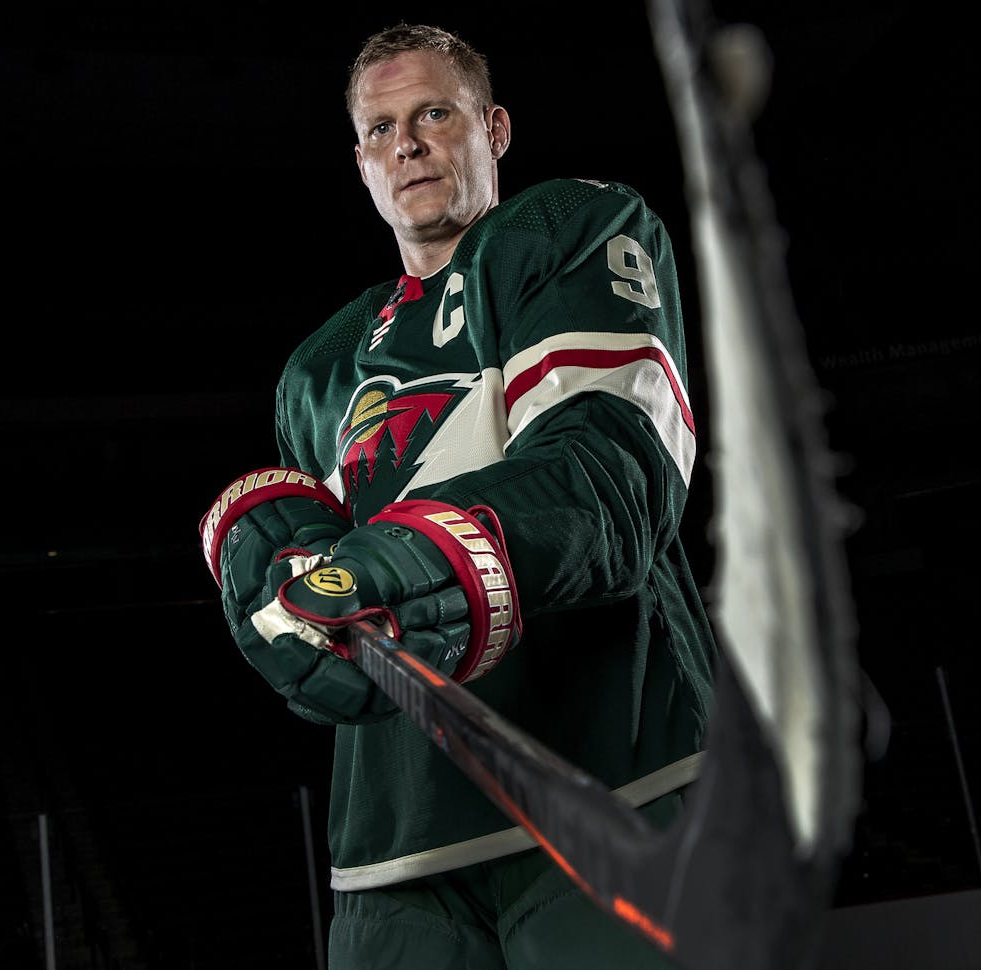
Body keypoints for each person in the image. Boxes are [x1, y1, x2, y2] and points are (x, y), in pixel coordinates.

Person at [198, 23, 716, 970]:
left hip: (613, 786)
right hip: (393, 846)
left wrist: (412, 559)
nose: (408, 143)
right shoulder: (319, 367)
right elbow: (332, 601)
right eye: (381, 128)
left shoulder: (567, 231)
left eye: (434, 113)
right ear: (360, 162)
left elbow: (610, 480)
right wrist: (284, 586)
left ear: (494, 129)